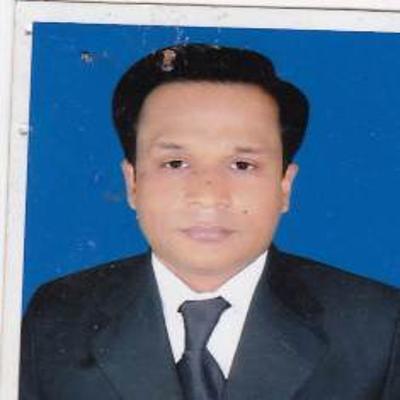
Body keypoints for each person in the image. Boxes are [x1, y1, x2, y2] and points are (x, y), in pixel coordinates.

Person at [19, 43, 400, 400]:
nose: (208, 195)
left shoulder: (379, 326)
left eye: (242, 165)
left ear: (285, 186)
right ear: (132, 182)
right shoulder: (56, 316)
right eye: (175, 163)